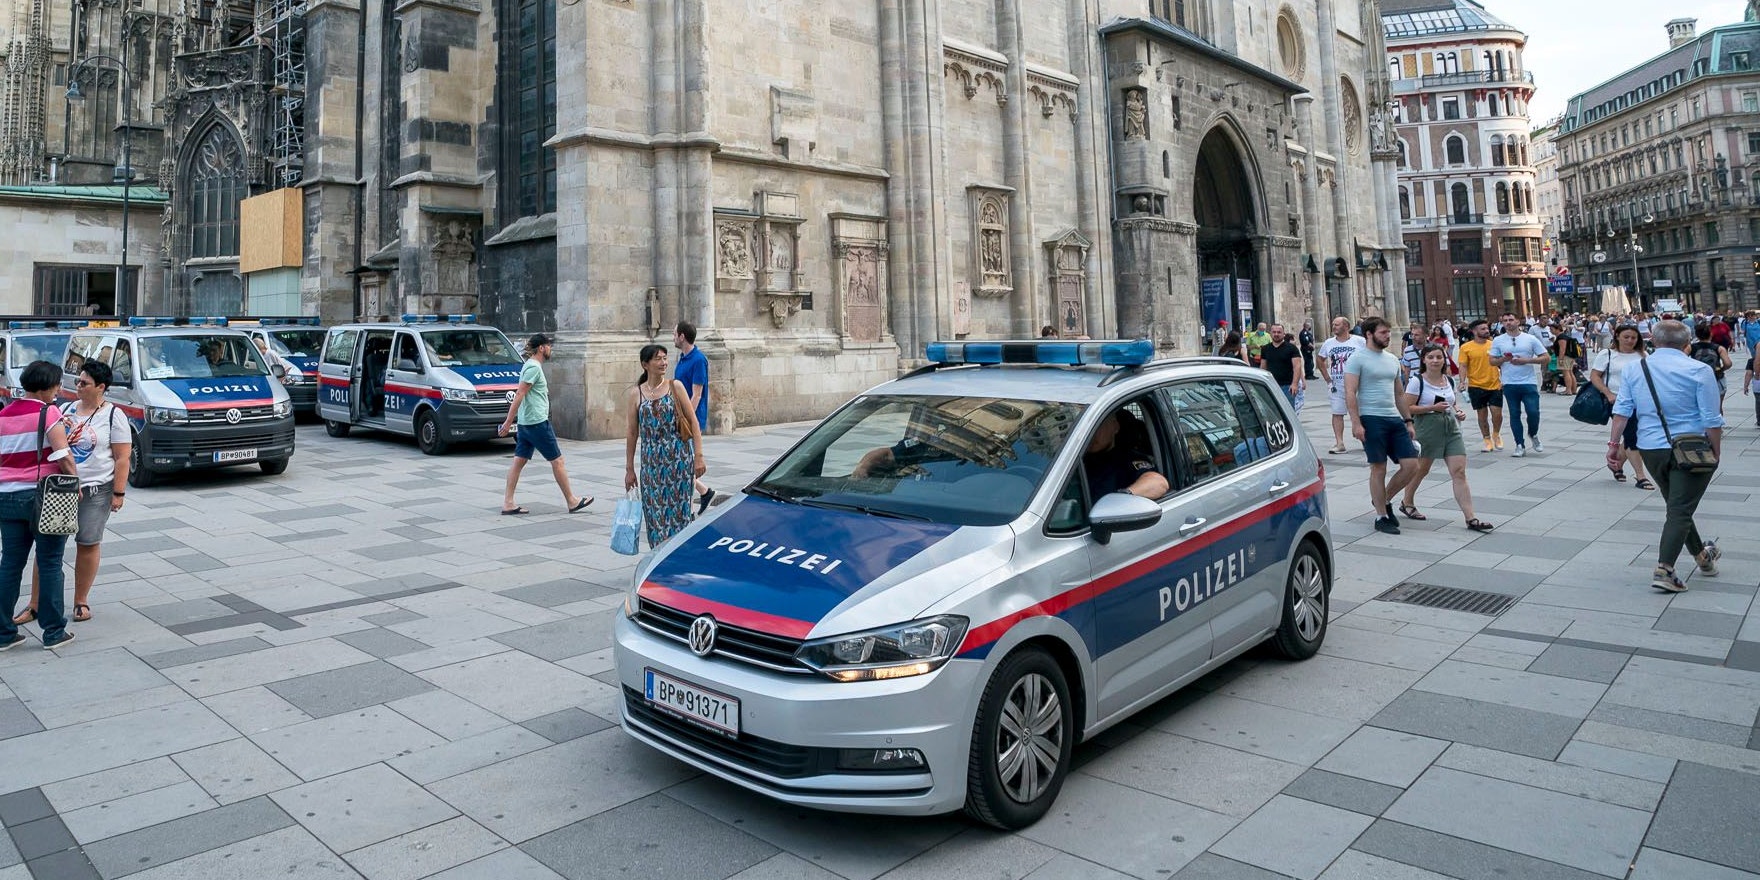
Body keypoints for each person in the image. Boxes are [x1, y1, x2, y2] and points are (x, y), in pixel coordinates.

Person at [1606, 320, 1724, 593]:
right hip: (1692, 447)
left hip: (1651, 448)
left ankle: (1703, 558)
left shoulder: (1636, 368)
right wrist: (1716, 450)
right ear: (1687, 343)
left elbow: (1623, 408)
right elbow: (1711, 417)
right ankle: (1665, 569)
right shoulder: (1699, 370)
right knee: (1681, 509)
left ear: (1653, 341)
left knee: (1677, 506)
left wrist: (1614, 444)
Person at [12, 361, 130, 627]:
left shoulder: (114, 415)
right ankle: (35, 604)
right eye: (77, 381)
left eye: (84, 383)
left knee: (87, 542)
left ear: (101, 387)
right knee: (48, 546)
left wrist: (118, 493)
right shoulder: (62, 409)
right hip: (60, 488)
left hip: (96, 489)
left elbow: (123, 458)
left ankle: (80, 600)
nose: (77, 386)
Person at [0, 361, 78, 650]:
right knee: (49, 562)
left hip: (6, 497)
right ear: (46, 387)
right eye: (57, 385)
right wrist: (75, 483)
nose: (58, 390)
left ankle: (3, 633)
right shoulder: (48, 412)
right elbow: (63, 455)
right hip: (43, 498)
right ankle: (54, 631)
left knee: (10, 564)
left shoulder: (4, 414)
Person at [1398, 345, 1494, 532]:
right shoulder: (1417, 381)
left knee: (1459, 472)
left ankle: (1470, 518)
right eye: (1431, 357)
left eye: (1439, 357)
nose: (1435, 360)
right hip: (1426, 427)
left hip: (1451, 428)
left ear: (1444, 359)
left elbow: (1451, 403)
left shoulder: (1448, 380)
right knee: (1421, 470)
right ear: (1424, 360)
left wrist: (1457, 412)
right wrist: (1431, 409)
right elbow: (1407, 407)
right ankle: (1407, 501)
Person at [497, 334, 592, 516]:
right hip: (536, 422)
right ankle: (572, 501)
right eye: (549, 345)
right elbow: (520, 394)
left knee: (519, 462)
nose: (551, 349)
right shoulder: (533, 367)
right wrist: (508, 422)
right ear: (541, 348)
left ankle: (508, 503)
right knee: (557, 461)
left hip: (527, 422)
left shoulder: (530, 366)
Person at [1344, 317, 1423, 535]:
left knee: (1411, 466)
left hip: (1393, 418)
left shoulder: (1391, 359)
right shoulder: (1357, 359)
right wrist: (1356, 423)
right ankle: (1381, 516)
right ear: (1369, 334)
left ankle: (1384, 498)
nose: (1388, 336)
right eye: (1383, 333)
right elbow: (1350, 392)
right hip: (1371, 418)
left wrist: (1408, 420)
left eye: (1388, 332)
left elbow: (1399, 393)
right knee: (1378, 468)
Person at [624, 344, 706, 549]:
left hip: (678, 461)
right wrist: (629, 469)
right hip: (651, 465)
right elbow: (632, 433)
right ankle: (659, 556)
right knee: (654, 514)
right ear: (645, 364)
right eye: (658, 359)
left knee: (680, 513)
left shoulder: (675, 386)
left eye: (665, 358)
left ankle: (680, 555)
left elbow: (693, 422)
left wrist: (699, 455)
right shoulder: (636, 394)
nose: (663, 363)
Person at [1590, 325, 1655, 490]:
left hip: (1640, 401)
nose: (1630, 341)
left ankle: (1616, 462)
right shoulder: (1608, 354)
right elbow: (1595, 376)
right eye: (1626, 337)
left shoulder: (1643, 354)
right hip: (1617, 401)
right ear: (1617, 336)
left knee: (1632, 435)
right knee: (1632, 435)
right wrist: (1608, 393)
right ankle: (1641, 476)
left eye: (1633, 338)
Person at [1489, 312, 1548, 457]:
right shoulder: (1498, 340)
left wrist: (1527, 360)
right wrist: (1503, 359)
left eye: (1511, 320)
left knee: (1533, 412)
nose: (1508, 323)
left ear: (1518, 322)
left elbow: (1545, 358)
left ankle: (1533, 434)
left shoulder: (1530, 338)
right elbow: (1492, 361)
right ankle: (1519, 444)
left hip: (1528, 382)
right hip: (1509, 383)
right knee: (1514, 414)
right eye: (1505, 321)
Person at [674, 322, 714, 513]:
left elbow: (697, 393)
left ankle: (687, 506)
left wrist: (687, 418)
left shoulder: (698, 360)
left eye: (675, 334)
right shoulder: (682, 358)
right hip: (679, 416)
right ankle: (704, 492)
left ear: (682, 337)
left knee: (684, 462)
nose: (673, 337)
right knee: (680, 462)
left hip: (689, 420)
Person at [1083, 410, 1168, 499]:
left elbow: (1158, 482)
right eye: (1087, 427)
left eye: (1098, 426)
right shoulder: (1075, 456)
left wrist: (1123, 497)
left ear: (1115, 426)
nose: (1091, 433)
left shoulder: (1129, 459)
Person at [1316, 317, 1366, 455]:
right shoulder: (1329, 343)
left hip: (1357, 382)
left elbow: (1369, 355)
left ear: (1346, 326)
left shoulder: (1359, 341)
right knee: (1337, 412)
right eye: (1332, 324)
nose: (1334, 327)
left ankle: (1365, 439)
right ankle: (1339, 442)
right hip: (1337, 382)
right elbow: (1320, 359)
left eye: (1337, 325)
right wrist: (1327, 378)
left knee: (1361, 412)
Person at [1258, 324, 1304, 411]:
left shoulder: (1292, 348)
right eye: (1274, 332)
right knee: (1271, 412)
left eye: (1279, 332)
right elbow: (1263, 367)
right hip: (1270, 386)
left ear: (1283, 334)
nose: (1276, 334)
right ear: (1270, 333)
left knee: (1288, 411)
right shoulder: (1265, 349)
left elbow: (1297, 367)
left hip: (1287, 386)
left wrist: (1294, 384)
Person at [1688, 321, 1732, 412]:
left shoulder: (1691, 347)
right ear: (1711, 334)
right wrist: (1721, 369)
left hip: (1697, 378)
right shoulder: (1719, 348)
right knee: (1717, 407)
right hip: (1717, 378)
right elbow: (1728, 363)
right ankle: (1718, 424)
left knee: (1699, 406)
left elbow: (1682, 360)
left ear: (1697, 335)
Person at [1553, 328, 1582, 397]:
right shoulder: (1566, 336)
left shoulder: (1561, 337)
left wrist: (1560, 359)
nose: (1551, 331)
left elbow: (1562, 349)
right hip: (1570, 356)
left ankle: (1568, 390)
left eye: (1552, 329)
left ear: (1557, 329)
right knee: (1570, 372)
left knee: (1566, 373)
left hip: (1565, 357)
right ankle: (1573, 390)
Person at [1744, 351, 1759, 426]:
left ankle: (1759, 420)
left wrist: (1746, 386)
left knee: (1758, 402)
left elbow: (1749, 374)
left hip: (1757, 386)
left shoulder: (1751, 361)